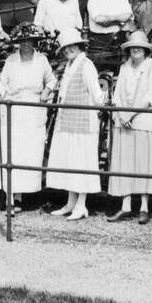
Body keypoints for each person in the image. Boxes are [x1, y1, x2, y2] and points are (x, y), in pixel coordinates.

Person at [0, 22, 57, 206]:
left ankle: (21, 195)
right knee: (11, 149)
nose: (26, 44)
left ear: (35, 42)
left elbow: (52, 79)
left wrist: (48, 90)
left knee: (28, 151)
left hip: (33, 109)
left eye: (29, 41)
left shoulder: (42, 60)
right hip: (14, 108)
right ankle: (8, 196)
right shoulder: (11, 60)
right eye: (22, 41)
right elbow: (2, 83)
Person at [107, 30, 152, 223]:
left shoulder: (151, 67)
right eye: (132, 48)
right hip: (124, 120)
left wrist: (131, 114)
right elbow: (117, 94)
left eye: (139, 48)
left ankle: (144, 207)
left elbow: (149, 97)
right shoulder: (124, 67)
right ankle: (125, 205)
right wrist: (121, 114)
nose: (136, 50)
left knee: (143, 162)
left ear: (146, 50)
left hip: (143, 120)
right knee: (125, 161)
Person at [48, 29, 105, 221]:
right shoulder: (70, 66)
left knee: (82, 162)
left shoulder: (87, 65)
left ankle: (81, 205)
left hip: (83, 124)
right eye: (65, 48)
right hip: (68, 122)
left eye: (71, 46)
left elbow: (96, 93)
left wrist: (104, 104)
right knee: (70, 162)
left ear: (79, 46)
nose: (68, 50)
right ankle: (71, 203)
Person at [86, 0, 134, 73]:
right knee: (97, 72)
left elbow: (128, 16)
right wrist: (118, 20)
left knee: (118, 71)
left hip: (118, 39)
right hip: (98, 41)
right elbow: (98, 19)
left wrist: (109, 18)